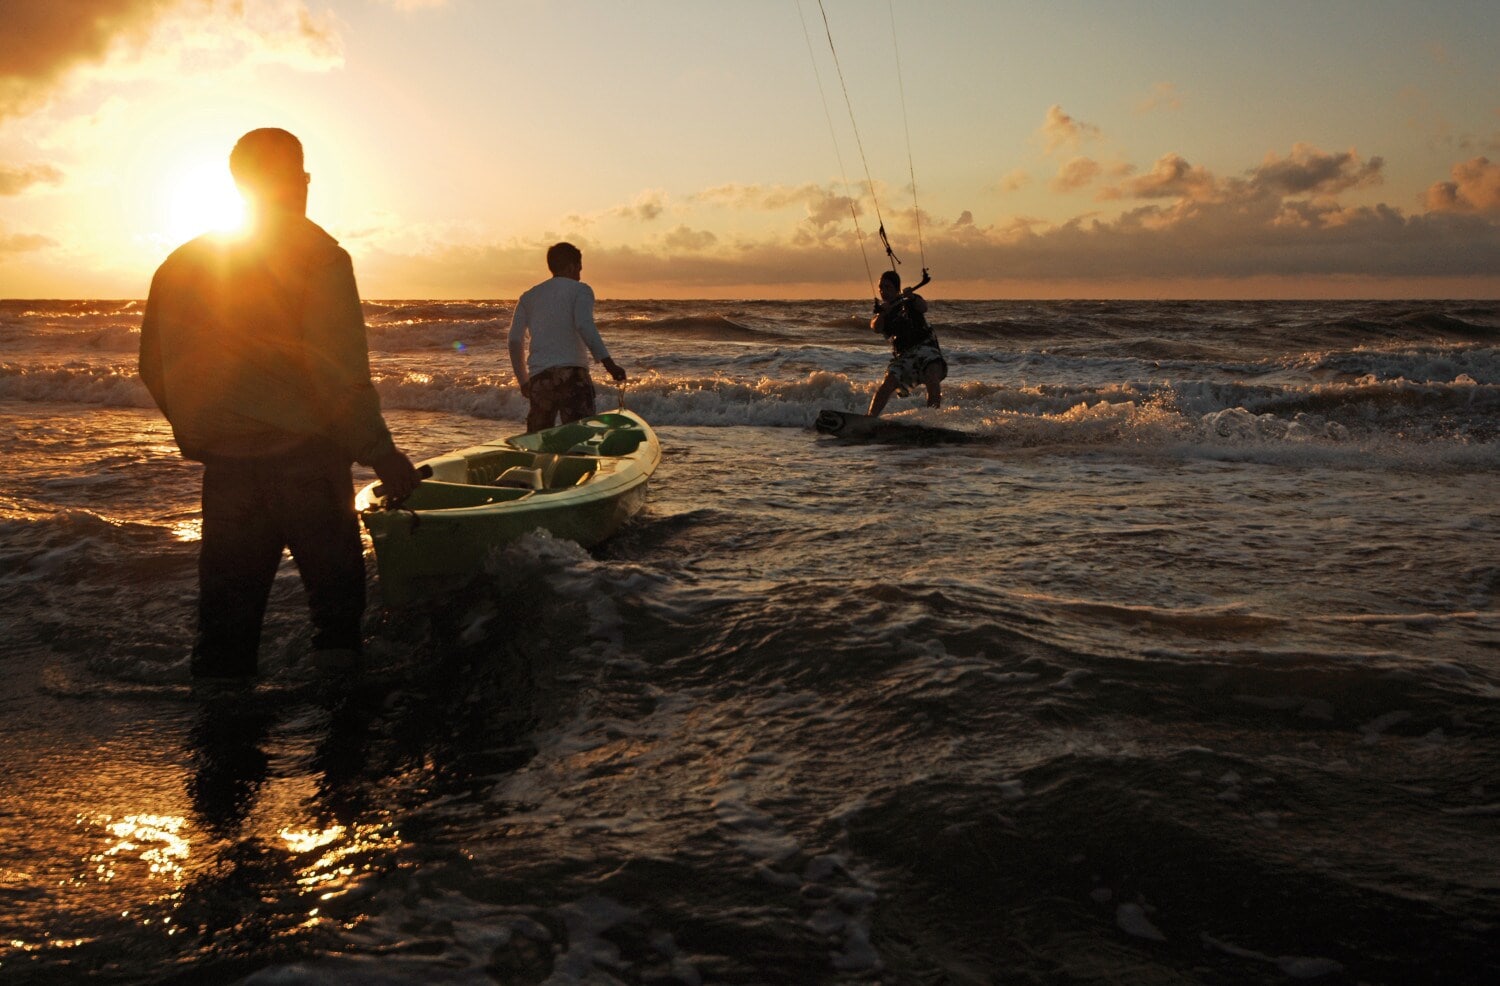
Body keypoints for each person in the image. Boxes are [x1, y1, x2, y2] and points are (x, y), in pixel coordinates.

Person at [139, 127, 419, 680]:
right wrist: (381, 454)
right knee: (336, 618)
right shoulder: (319, 255)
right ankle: (342, 749)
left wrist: (207, 427)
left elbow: (155, 368)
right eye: (303, 173)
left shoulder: (181, 264)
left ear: (238, 183)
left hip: (227, 471)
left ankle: (220, 750)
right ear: (298, 180)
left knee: (225, 630)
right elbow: (337, 372)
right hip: (308, 467)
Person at [508, 242, 627, 433]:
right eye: (579, 269)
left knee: (537, 440)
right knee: (579, 439)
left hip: (540, 379)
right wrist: (609, 365)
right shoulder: (581, 290)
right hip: (573, 376)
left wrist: (523, 381)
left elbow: (514, 340)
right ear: (572, 266)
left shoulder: (528, 297)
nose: (579, 275)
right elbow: (584, 324)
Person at [866, 269, 946, 417]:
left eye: (887, 287)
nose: (883, 292)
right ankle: (869, 418)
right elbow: (875, 327)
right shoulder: (882, 312)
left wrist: (912, 297)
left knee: (932, 378)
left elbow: (923, 307)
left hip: (926, 349)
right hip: (904, 357)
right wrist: (883, 313)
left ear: (896, 289)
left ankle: (933, 418)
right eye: (881, 288)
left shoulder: (910, 300)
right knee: (886, 385)